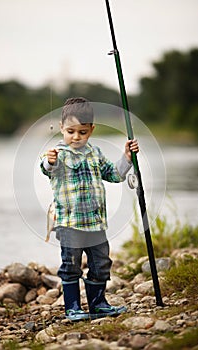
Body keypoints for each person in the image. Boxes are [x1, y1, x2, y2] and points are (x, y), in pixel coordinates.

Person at [40, 97, 139, 321]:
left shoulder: (95, 153)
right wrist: (50, 161)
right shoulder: (58, 154)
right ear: (62, 127)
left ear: (91, 130)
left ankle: (98, 304)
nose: (76, 137)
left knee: (101, 263)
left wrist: (127, 157)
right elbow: (47, 169)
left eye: (82, 132)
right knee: (71, 265)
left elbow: (114, 174)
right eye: (71, 131)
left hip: (95, 223)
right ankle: (73, 307)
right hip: (70, 224)